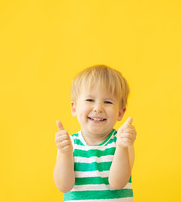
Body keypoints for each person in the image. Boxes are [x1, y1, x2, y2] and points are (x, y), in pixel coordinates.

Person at [53, 64, 136, 202]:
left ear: (120, 112)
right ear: (74, 107)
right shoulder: (69, 144)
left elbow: (118, 183)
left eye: (108, 102)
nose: (98, 108)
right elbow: (64, 186)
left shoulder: (122, 142)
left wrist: (121, 147)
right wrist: (64, 153)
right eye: (90, 100)